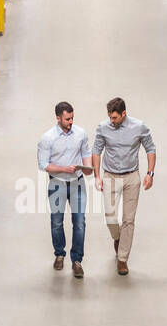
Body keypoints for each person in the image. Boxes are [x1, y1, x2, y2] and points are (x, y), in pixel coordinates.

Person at [92, 97, 157, 275]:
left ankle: (122, 259)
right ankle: (117, 237)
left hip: (131, 177)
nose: (111, 121)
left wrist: (150, 173)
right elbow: (96, 151)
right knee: (110, 218)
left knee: (129, 220)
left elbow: (150, 149)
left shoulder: (139, 127)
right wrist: (97, 176)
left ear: (123, 114)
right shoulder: (103, 127)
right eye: (109, 117)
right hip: (110, 176)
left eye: (115, 118)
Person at [37, 101, 92, 278]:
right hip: (57, 183)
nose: (71, 121)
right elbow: (43, 165)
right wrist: (63, 169)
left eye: (72, 118)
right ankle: (60, 254)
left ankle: (77, 260)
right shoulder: (47, 138)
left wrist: (88, 167)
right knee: (57, 222)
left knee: (80, 222)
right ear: (58, 118)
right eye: (67, 119)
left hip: (77, 183)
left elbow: (85, 153)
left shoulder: (81, 134)